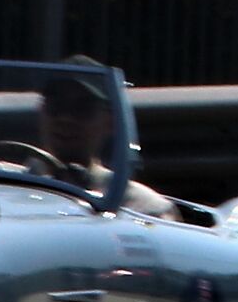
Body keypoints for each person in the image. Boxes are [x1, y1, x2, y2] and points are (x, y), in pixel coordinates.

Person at [27, 56, 174, 217]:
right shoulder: (7, 183)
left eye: (82, 109)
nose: (65, 119)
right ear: (41, 113)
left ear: (109, 122)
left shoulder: (142, 207)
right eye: (56, 106)